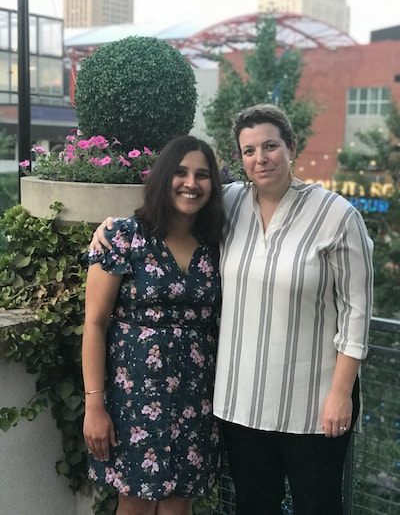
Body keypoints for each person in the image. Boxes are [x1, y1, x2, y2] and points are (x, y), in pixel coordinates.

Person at [90, 104, 374, 515]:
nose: (261, 158)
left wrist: (341, 394)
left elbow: (358, 313)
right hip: (240, 402)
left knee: (318, 504)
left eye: (271, 146)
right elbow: (174, 202)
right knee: (254, 505)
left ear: (292, 147)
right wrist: (112, 224)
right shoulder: (231, 204)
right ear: (240, 159)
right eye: (248, 150)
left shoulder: (336, 215)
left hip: (313, 403)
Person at [82, 135, 224, 515]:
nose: (191, 183)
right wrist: (94, 405)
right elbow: (95, 323)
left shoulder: (217, 243)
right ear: (163, 177)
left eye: (202, 175)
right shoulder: (122, 236)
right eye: (180, 172)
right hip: (134, 399)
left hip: (197, 398)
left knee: (179, 507)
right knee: (136, 505)